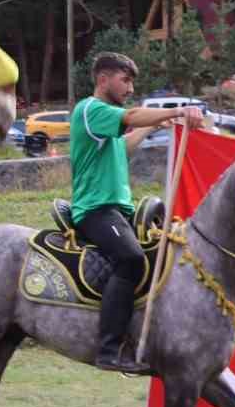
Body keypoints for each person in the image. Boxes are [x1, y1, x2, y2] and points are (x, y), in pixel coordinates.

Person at [70, 52, 204, 375]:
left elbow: (124, 146)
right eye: (124, 80)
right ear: (103, 79)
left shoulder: (106, 123)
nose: (129, 88)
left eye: (131, 82)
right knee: (131, 259)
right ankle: (108, 349)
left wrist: (160, 123)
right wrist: (177, 110)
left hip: (118, 211)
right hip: (95, 210)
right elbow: (130, 115)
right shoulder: (90, 110)